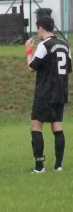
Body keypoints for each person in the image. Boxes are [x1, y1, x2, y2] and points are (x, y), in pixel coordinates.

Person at [25, 16, 71, 173]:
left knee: (35, 128)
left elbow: (32, 67)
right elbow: (68, 68)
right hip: (60, 92)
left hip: (44, 92)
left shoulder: (44, 45)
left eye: (37, 28)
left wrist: (28, 50)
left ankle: (39, 167)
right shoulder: (65, 45)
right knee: (57, 127)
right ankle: (58, 166)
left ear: (41, 29)